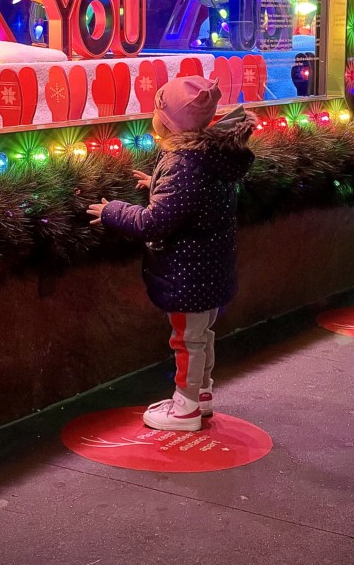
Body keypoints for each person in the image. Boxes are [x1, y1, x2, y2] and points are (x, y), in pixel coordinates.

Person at [87, 75, 256, 431]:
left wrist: (112, 211)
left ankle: (185, 409)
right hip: (208, 269)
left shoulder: (185, 162)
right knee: (201, 336)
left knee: (187, 340)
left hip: (188, 273)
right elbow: (195, 199)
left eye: (157, 109)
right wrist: (157, 184)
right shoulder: (205, 155)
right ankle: (201, 394)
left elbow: (154, 222)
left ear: (168, 121)